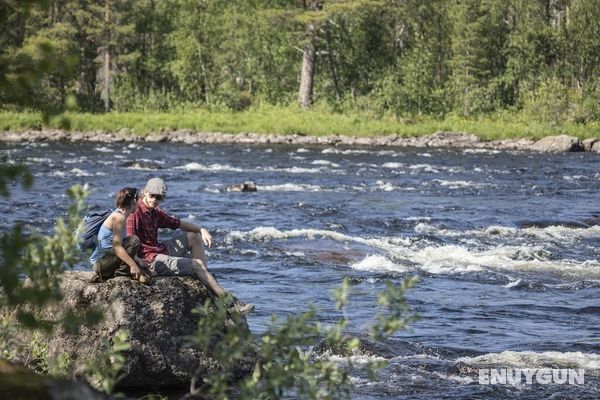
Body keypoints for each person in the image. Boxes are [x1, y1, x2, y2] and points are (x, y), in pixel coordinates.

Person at [126, 177, 253, 314]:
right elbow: (129, 242)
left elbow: (177, 223)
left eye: (159, 198)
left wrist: (201, 229)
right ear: (145, 192)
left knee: (194, 237)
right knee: (196, 264)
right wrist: (137, 265)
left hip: (159, 249)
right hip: (150, 260)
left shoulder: (155, 212)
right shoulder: (135, 213)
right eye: (152, 196)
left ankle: (206, 278)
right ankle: (230, 303)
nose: (155, 200)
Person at [91, 187, 151, 284]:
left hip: (108, 260)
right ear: (133, 202)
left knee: (148, 276)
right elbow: (117, 246)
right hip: (101, 264)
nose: (139, 203)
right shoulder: (119, 218)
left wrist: (137, 260)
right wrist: (133, 265)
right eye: (138, 200)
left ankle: (125, 271)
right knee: (134, 240)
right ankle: (121, 273)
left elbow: (122, 246)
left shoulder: (119, 214)